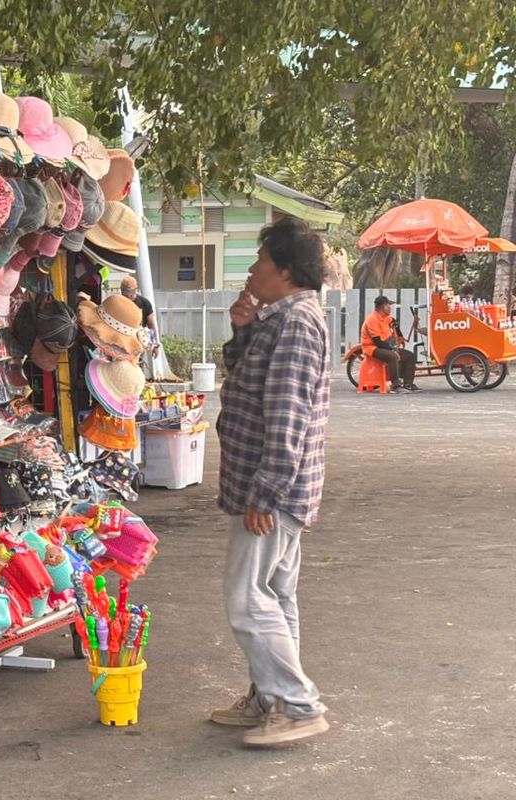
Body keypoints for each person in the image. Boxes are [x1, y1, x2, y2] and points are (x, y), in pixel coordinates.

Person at [213, 217, 331, 747]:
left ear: (285, 269)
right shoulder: (277, 319)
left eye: (259, 260)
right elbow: (247, 382)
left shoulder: (297, 325)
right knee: (276, 596)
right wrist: (242, 330)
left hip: (273, 492)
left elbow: (287, 416)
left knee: (246, 597)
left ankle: (298, 705)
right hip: (276, 487)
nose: (251, 269)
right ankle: (270, 697)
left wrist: (266, 491)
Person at [361, 295, 418, 392]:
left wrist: (399, 335)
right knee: (392, 356)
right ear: (383, 307)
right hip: (373, 348)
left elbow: (394, 322)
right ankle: (395, 386)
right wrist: (392, 349)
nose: (390, 308)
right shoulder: (372, 320)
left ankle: (408, 384)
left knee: (410, 356)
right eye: (388, 305)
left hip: (385, 346)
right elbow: (377, 341)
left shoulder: (386, 317)